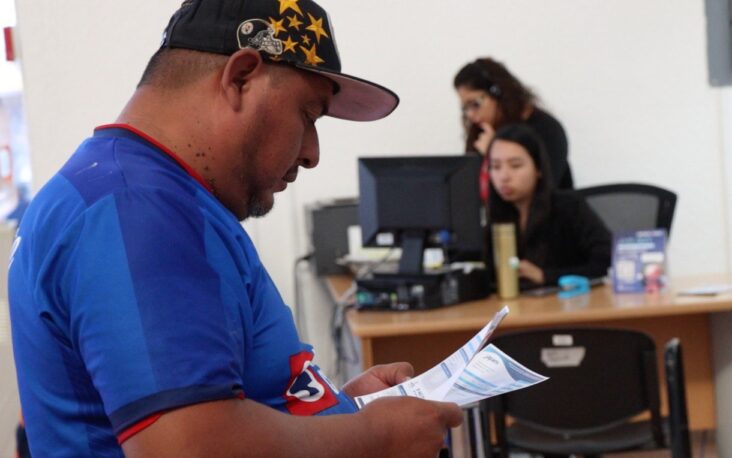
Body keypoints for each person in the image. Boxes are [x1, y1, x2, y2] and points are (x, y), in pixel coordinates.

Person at [8, 1, 462, 456]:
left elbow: (208, 405)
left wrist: (338, 407)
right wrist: (373, 438)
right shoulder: (137, 208)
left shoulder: (131, 189)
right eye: (308, 115)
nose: (312, 153)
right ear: (242, 76)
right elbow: (189, 447)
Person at [486, 124, 610, 290]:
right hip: (516, 310)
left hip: (571, 305)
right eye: (495, 167)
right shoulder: (493, 217)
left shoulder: (569, 206)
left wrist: (545, 276)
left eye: (515, 166)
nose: (504, 176)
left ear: (538, 169)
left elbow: (608, 260)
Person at [453, 57, 574, 203]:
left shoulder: (546, 129)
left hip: (545, 222)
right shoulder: (481, 132)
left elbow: (538, 195)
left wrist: (495, 153)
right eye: (465, 107)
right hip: (496, 223)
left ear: (497, 92)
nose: (470, 114)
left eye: (475, 104)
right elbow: (468, 192)